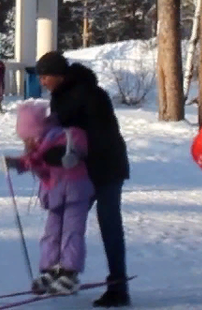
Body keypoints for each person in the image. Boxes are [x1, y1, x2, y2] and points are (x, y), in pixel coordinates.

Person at [35, 50, 131, 308]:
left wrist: (70, 154)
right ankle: (62, 272)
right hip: (81, 170)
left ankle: (118, 286)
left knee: (109, 225)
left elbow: (97, 135)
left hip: (107, 168)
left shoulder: (90, 95)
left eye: (46, 77)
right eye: (41, 77)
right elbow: (61, 134)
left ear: (60, 75)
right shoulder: (60, 97)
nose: (42, 82)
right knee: (66, 220)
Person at [4, 100, 94, 296]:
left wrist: (65, 154)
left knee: (72, 232)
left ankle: (69, 273)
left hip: (75, 193)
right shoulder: (40, 145)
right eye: (24, 140)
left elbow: (77, 146)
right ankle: (50, 269)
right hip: (55, 195)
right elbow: (32, 161)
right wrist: (15, 163)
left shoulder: (64, 136)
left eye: (29, 138)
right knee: (51, 233)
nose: (27, 143)